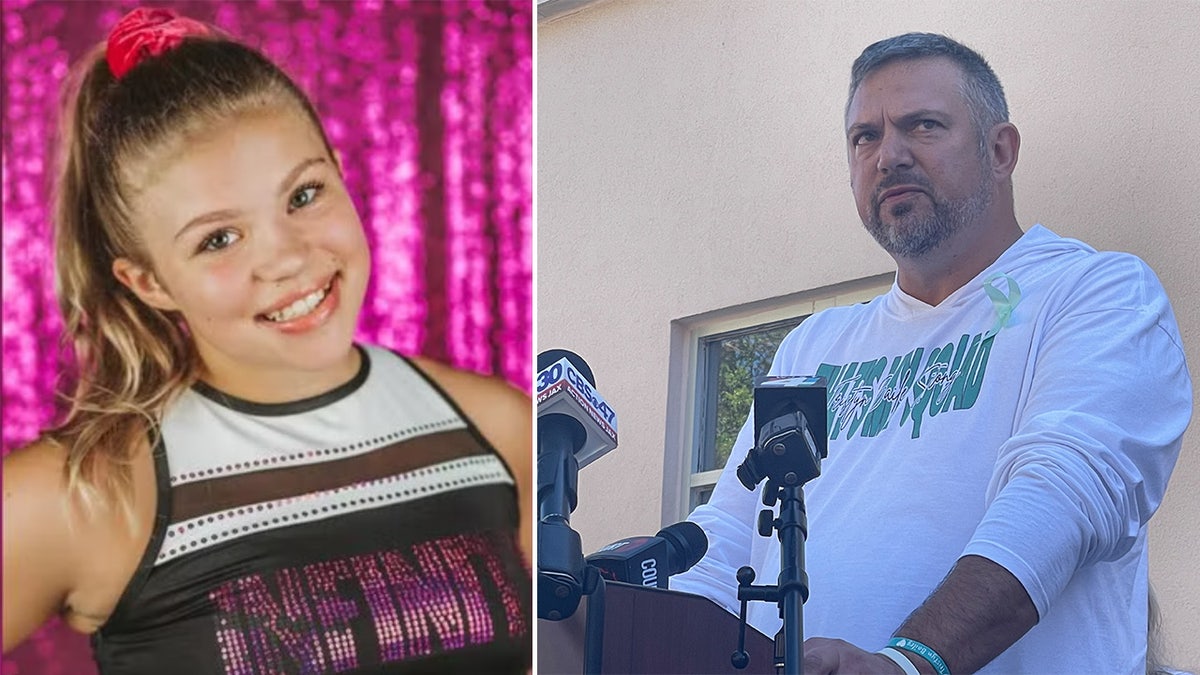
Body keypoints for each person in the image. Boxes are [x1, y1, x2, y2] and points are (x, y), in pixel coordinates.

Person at [1, 8, 532, 674]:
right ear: (149, 281)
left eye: (304, 194)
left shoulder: (501, 426)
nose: (286, 258)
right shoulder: (83, 493)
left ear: (340, 173)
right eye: (217, 238)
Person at [670, 32, 1191, 675]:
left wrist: (909, 663)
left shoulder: (1096, 293)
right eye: (865, 137)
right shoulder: (813, 346)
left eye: (923, 125)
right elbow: (725, 552)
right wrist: (607, 616)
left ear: (1000, 150)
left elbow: (1065, 491)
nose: (889, 156)